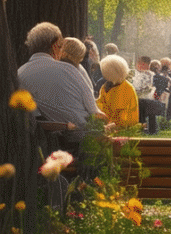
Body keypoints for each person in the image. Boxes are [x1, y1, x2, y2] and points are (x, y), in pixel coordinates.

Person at [18, 24, 106, 152]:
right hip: (83, 142)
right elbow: (93, 110)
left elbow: (32, 116)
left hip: (46, 145)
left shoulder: (20, 73)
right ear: (54, 46)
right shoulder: (69, 69)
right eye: (60, 46)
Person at [97, 54, 140, 132]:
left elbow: (122, 116)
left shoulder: (126, 88)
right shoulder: (105, 87)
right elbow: (101, 104)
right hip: (107, 125)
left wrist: (112, 124)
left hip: (123, 129)